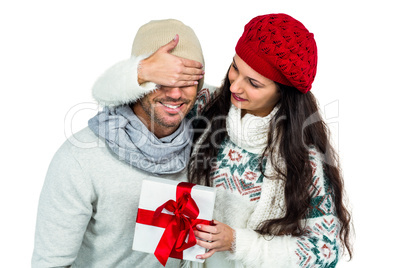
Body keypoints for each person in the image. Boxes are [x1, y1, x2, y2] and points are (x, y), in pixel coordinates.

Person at [91, 13, 353, 267]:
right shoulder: (208, 107)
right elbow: (110, 98)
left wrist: (238, 242)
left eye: (253, 83)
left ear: (283, 93)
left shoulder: (303, 161)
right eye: (235, 68)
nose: (235, 87)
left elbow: (325, 251)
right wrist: (142, 70)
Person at [32, 19, 210, 268]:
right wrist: (136, 71)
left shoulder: (204, 141)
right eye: (162, 79)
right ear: (137, 81)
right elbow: (50, 264)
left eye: (185, 79)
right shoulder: (80, 158)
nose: (175, 93)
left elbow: (257, 91)